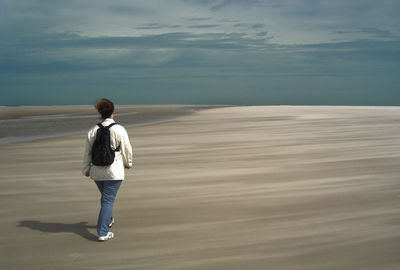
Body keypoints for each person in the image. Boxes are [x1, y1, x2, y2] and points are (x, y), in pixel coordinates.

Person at [82, 98, 133, 241]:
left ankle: (108, 220)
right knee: (108, 200)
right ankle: (103, 232)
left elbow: (87, 153)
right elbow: (126, 149)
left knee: (106, 198)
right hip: (114, 171)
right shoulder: (119, 129)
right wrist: (128, 163)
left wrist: (86, 169)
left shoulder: (93, 130)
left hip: (97, 172)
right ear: (113, 112)